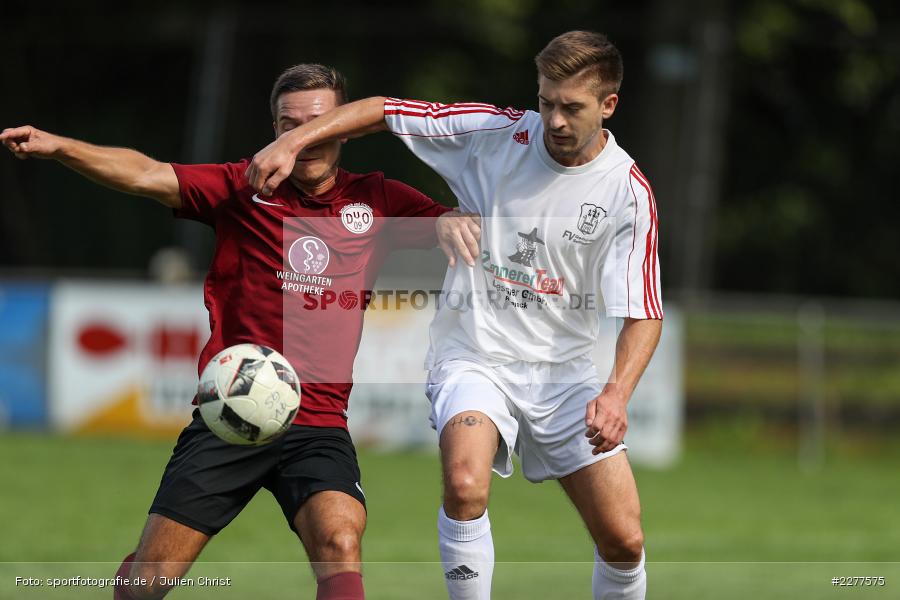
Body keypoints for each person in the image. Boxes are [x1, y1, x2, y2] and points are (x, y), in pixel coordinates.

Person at [1, 63, 480, 600]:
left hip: (318, 422)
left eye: (316, 122)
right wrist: (60, 146)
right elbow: (145, 173)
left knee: (340, 541)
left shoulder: (378, 199)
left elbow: (465, 231)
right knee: (148, 583)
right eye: (287, 124)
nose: (300, 136)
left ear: (342, 127)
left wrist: (448, 221)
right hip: (230, 416)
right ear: (274, 130)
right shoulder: (240, 188)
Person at [244, 31, 663, 600]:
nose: (555, 121)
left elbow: (643, 312)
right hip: (474, 356)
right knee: (465, 484)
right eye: (545, 102)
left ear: (609, 105)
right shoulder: (493, 133)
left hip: (564, 376)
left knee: (625, 541)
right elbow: (379, 112)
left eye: (572, 107)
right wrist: (291, 145)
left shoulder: (628, 191)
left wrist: (615, 394)